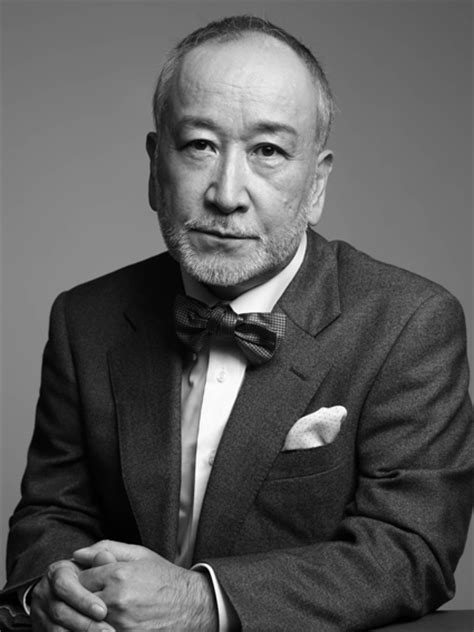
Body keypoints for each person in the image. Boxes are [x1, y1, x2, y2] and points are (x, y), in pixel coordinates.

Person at [1, 14, 473, 632]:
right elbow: (50, 515)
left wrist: (202, 602)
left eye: (267, 151)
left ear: (316, 184)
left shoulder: (409, 323)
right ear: (155, 166)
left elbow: (411, 551)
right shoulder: (84, 319)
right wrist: (50, 591)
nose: (226, 194)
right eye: (200, 145)